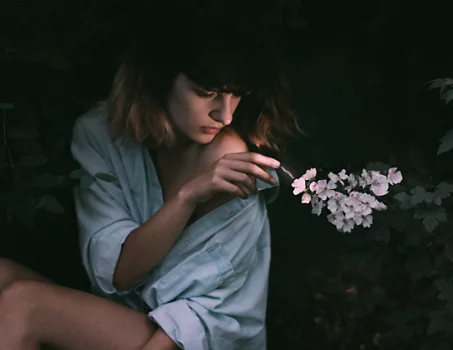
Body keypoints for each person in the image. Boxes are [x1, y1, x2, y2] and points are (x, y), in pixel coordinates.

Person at [0, 4, 303, 349]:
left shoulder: (235, 169)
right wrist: (187, 197)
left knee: (24, 305)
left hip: (189, 341)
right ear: (159, 78)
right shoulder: (102, 133)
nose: (225, 114)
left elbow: (211, 319)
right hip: (126, 316)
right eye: (207, 92)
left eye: (237, 96)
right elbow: (117, 274)